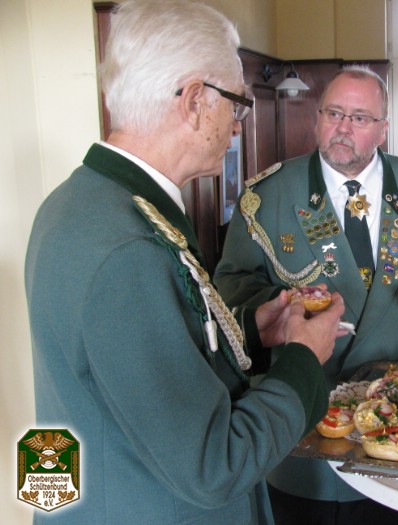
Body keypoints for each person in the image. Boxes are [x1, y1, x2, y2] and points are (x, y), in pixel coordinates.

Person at [24, 1, 346, 523]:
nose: (237, 127)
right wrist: (303, 359)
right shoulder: (127, 247)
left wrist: (249, 331)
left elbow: (129, 368)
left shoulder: (77, 202)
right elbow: (213, 466)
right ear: (196, 101)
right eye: (236, 104)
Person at [214, 65, 398, 524]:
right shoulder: (267, 196)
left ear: (383, 129)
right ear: (317, 118)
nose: (343, 127)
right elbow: (231, 285)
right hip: (307, 424)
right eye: (333, 113)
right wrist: (281, 309)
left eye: (359, 118)